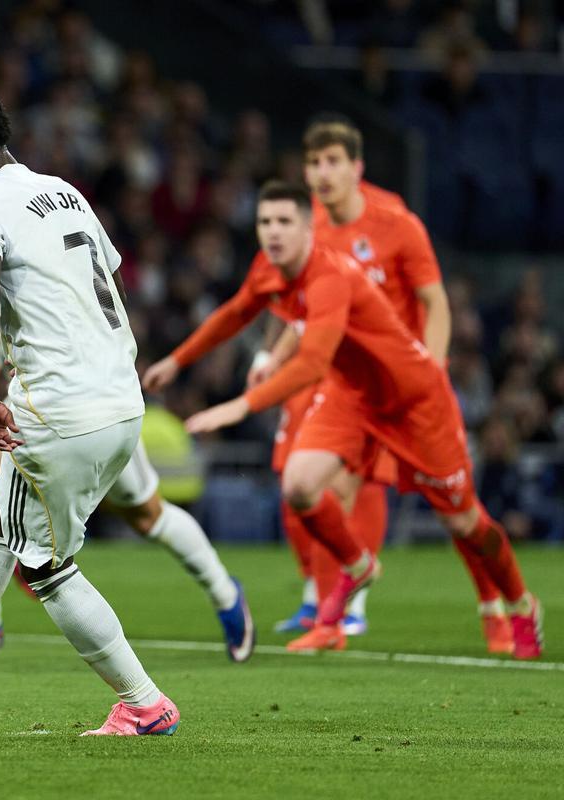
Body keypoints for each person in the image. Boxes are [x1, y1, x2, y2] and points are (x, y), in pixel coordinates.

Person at [0, 74, 181, 737]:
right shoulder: (65, 194)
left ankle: (144, 701)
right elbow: (103, 285)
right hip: (119, 401)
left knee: (45, 568)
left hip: (61, 412)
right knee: (0, 534)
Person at [143, 181, 543, 659]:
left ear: (309, 229)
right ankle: (355, 570)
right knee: (300, 484)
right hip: (353, 396)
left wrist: (239, 407)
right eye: (265, 222)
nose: (273, 232)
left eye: (285, 222)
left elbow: (312, 362)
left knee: (464, 521)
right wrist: (178, 360)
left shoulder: (330, 275)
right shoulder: (269, 268)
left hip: (413, 399)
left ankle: (520, 603)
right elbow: (234, 313)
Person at [0, 225, 253, 662]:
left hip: (83, 409)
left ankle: (226, 595)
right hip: (70, 412)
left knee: (147, 517)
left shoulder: (10, 281)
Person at [263, 119, 509, 653]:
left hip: (409, 393)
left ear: (357, 167)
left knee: (456, 513)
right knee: (324, 490)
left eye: (332, 162)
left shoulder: (396, 221)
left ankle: (495, 604)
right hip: (352, 390)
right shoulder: (312, 230)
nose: (322, 174)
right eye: (314, 164)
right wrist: (272, 356)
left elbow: (434, 302)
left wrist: (434, 368)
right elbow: (302, 308)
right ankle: (336, 617)